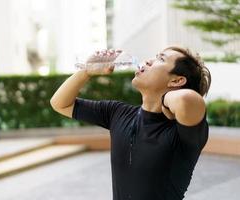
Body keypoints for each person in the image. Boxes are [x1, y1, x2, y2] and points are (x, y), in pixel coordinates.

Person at [50, 46, 211, 200]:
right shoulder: (117, 113)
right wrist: (86, 71)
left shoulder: (183, 134)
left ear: (176, 81)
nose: (148, 61)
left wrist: (164, 99)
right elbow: (60, 103)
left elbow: (187, 100)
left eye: (160, 59)